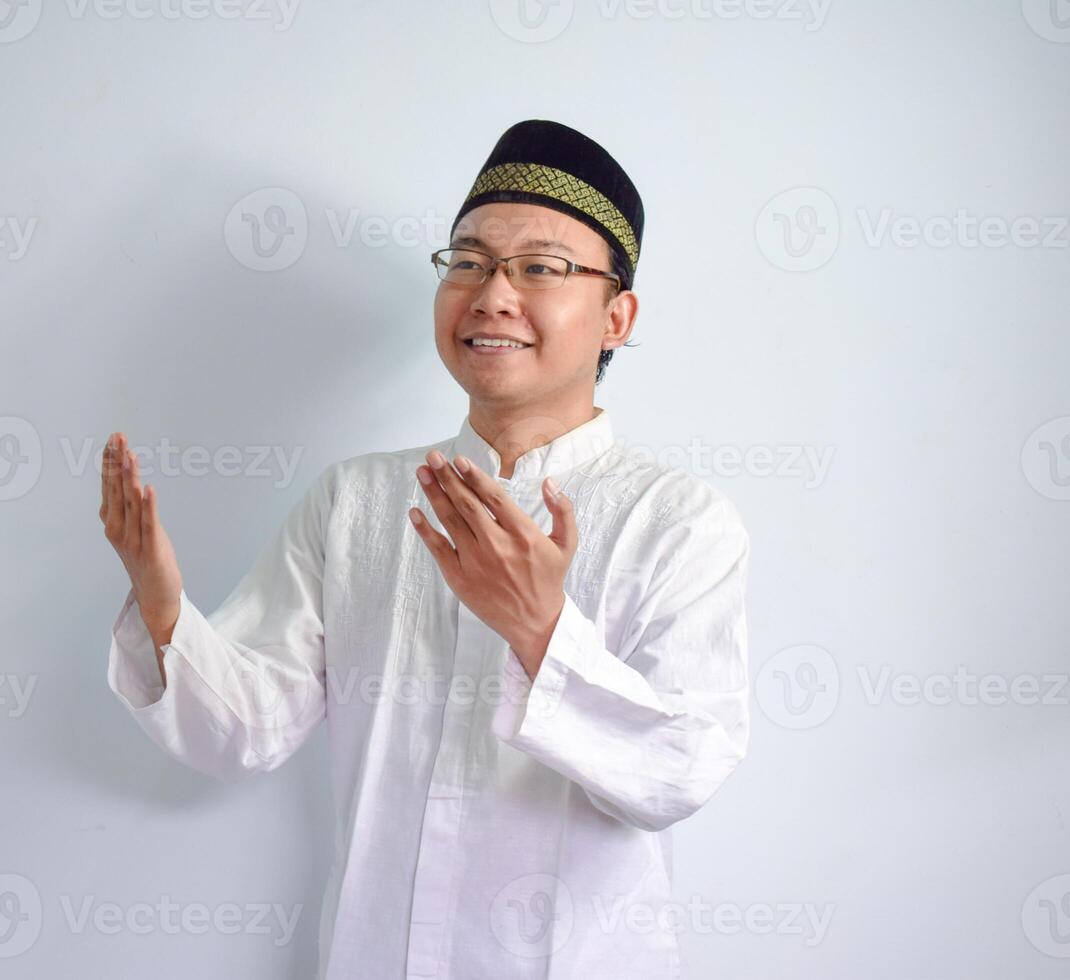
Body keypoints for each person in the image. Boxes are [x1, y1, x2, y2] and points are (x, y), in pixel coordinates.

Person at [100, 119, 751, 979]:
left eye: (541, 269)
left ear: (616, 317)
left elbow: (679, 772)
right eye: (469, 262)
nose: (491, 295)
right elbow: (243, 732)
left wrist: (542, 629)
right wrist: (162, 607)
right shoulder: (358, 502)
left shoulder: (677, 520)